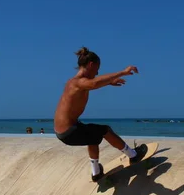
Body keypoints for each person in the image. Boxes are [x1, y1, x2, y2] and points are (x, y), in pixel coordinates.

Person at [54, 47, 148, 181]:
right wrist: (123, 72)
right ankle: (133, 155)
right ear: (91, 65)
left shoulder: (72, 82)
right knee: (105, 130)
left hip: (63, 131)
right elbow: (94, 83)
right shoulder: (77, 82)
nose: (98, 72)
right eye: (97, 68)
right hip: (70, 131)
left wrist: (109, 82)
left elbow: (92, 84)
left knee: (92, 136)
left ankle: (96, 172)